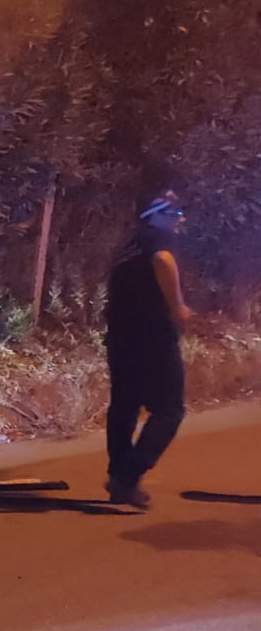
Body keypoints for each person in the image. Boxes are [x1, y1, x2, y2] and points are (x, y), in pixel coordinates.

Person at [103, 190, 193, 509]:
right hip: (153, 336)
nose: (179, 220)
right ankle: (127, 475)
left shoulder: (127, 245)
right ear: (153, 216)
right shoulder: (157, 239)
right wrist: (177, 306)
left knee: (124, 407)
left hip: (120, 334)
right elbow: (163, 260)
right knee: (170, 409)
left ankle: (119, 481)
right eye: (173, 214)